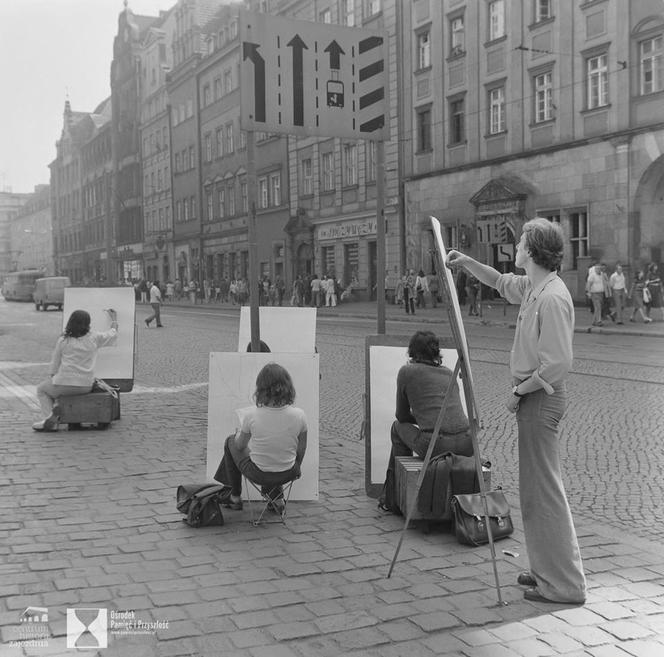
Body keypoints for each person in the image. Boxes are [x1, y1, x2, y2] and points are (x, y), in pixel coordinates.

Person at [447, 217, 586, 604]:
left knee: (545, 493)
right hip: (534, 399)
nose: (517, 245)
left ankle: (564, 585)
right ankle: (546, 572)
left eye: (522, 240)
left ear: (535, 249)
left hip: (540, 400)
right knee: (535, 492)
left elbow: (557, 364)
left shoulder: (553, 297)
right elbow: (498, 281)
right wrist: (467, 262)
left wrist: (518, 393)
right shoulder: (533, 287)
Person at [213, 363, 307, 514]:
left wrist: (239, 434)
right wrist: (296, 469)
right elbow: (301, 449)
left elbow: (239, 446)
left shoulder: (252, 415)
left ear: (261, 389)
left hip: (259, 474)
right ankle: (276, 499)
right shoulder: (299, 415)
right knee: (274, 451)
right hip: (289, 472)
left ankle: (234, 496)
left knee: (230, 441)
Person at [33, 309, 119, 432]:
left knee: (42, 390)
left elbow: (55, 364)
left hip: (64, 383)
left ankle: (50, 418)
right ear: (88, 324)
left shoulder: (63, 340)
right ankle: (55, 412)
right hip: (85, 385)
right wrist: (114, 320)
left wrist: (52, 378)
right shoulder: (94, 338)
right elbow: (112, 334)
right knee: (53, 389)